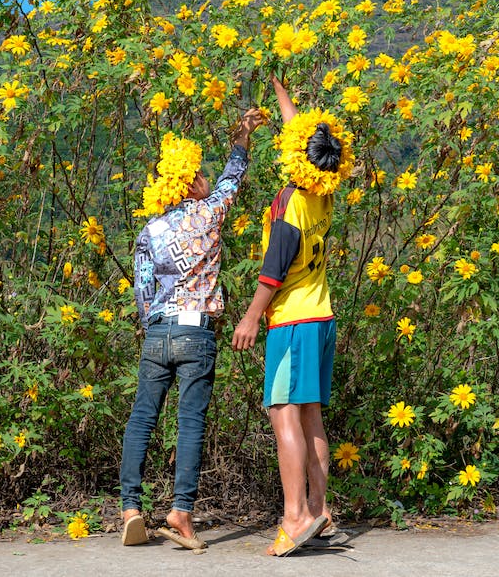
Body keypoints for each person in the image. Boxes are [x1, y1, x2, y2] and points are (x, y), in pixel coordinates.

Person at [120, 108, 264, 549]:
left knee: (142, 417)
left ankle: (130, 508)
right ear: (191, 182)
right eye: (198, 174)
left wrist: (155, 326)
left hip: (158, 331)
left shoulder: (150, 229)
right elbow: (232, 179)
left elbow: (143, 292)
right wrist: (242, 135)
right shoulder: (207, 215)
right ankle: (181, 513)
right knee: (190, 424)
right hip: (196, 332)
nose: (205, 179)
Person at [231, 75, 354, 557]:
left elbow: (273, 272)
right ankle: (319, 511)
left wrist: (248, 318)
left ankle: (295, 515)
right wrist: (283, 94)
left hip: (293, 322)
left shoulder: (289, 204)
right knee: (311, 419)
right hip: (323, 318)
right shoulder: (322, 187)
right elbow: (299, 133)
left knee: (283, 415)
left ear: (295, 158)